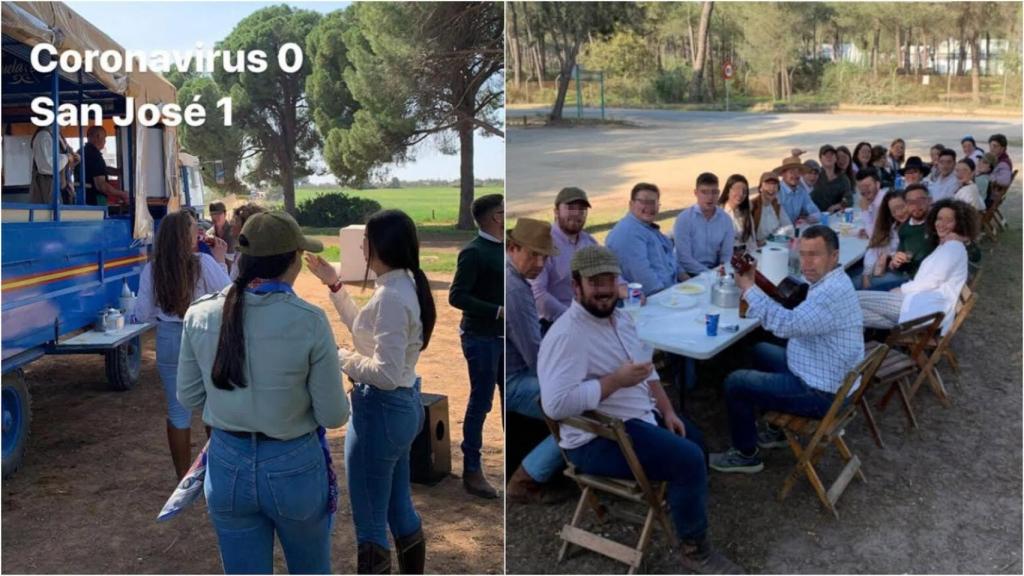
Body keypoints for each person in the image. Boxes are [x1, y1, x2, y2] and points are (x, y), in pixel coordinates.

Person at [539, 245, 738, 574]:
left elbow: (648, 369)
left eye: (609, 280)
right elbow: (555, 404)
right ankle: (693, 549)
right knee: (687, 459)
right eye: (595, 282)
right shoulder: (567, 335)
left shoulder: (619, 318)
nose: (604, 290)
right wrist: (614, 381)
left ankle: (685, 507)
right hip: (596, 439)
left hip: (636, 418)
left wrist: (668, 411)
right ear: (576, 286)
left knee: (696, 439)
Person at [178, 210, 349, 574]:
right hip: (294, 465)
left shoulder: (201, 314)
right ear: (294, 260)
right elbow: (334, 415)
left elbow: (189, 397)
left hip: (226, 464)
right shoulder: (309, 320)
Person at [307, 209, 436, 573]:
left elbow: (385, 373)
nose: (361, 246)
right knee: (399, 507)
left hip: (381, 409)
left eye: (366, 240)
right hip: (401, 409)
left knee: (370, 524)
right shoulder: (400, 284)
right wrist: (335, 286)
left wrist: (337, 356)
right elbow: (368, 335)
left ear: (379, 245)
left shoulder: (392, 296)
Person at [709, 226, 864, 473]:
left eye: (815, 254)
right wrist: (757, 280)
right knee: (760, 350)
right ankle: (775, 431)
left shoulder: (829, 294)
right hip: (825, 371)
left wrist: (748, 287)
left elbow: (785, 324)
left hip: (821, 393)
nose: (806, 263)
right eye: (802, 254)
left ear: (834, 256)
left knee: (735, 382)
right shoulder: (832, 279)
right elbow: (789, 305)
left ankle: (745, 454)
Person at [135, 210, 230, 480]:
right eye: (192, 228)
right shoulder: (204, 263)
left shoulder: (152, 268)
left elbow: (142, 313)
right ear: (183, 235)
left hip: (168, 338)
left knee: (178, 411)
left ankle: (183, 479)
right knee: (213, 405)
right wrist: (221, 262)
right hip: (202, 335)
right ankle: (216, 474)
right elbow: (228, 295)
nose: (197, 232)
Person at [504, 219, 571, 504]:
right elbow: (536, 357)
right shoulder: (515, 290)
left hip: (512, 370)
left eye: (544, 256)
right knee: (581, 412)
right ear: (512, 248)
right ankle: (526, 479)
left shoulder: (512, 277)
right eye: (533, 254)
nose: (540, 263)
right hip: (514, 380)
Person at [450, 194, 505, 499]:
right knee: (481, 402)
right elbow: (456, 296)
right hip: (480, 337)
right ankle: (472, 469)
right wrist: (497, 310)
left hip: (504, 338)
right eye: (504, 211)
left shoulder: (506, 247)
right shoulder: (473, 252)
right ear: (495, 217)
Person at [858, 199, 979, 335]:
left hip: (923, 307)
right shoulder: (947, 244)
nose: (941, 224)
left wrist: (901, 289)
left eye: (948, 220)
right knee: (855, 312)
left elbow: (931, 282)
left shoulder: (953, 247)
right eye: (939, 219)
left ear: (960, 224)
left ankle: (864, 345)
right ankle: (870, 344)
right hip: (919, 303)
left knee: (855, 299)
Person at [531, 187, 599, 326]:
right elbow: (537, 294)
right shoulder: (543, 243)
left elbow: (606, 275)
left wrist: (625, 289)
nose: (577, 214)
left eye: (581, 210)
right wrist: (572, 317)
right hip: (553, 322)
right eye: (571, 208)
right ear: (556, 211)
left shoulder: (589, 243)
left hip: (588, 316)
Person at [606, 182, 682, 295]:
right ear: (631, 204)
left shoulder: (647, 228)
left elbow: (671, 259)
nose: (649, 207)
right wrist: (670, 296)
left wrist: (688, 280)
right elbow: (644, 280)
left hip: (672, 290)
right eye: (644, 202)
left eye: (653, 202)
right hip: (650, 300)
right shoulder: (628, 232)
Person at [673, 172, 734, 276]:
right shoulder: (684, 219)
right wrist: (710, 274)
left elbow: (726, 254)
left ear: (719, 193)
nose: (710, 197)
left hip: (716, 271)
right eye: (704, 192)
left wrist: (722, 272)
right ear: (696, 193)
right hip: (688, 274)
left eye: (714, 192)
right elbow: (684, 258)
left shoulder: (726, 220)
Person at [858, 190, 909, 291]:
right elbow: (873, 249)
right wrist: (866, 274)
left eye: (901, 207)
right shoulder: (893, 227)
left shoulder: (914, 226)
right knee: (853, 276)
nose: (898, 213)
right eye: (894, 211)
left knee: (853, 286)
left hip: (904, 275)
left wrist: (890, 256)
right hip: (884, 270)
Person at [885, 184, 934, 288]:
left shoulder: (937, 224)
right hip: (911, 282)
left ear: (930, 201)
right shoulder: (904, 228)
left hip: (929, 285)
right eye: (911, 202)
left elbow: (974, 256)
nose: (916, 205)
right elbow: (903, 263)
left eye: (920, 200)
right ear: (906, 205)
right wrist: (895, 262)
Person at [30, 126, 79, 205]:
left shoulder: (59, 136)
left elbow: (68, 158)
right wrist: (66, 157)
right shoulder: (43, 135)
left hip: (63, 188)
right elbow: (47, 165)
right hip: (48, 189)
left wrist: (74, 158)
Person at [81, 126, 129, 206]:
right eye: (104, 138)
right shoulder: (94, 155)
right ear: (98, 136)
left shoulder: (83, 151)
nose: (105, 141)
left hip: (85, 199)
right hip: (94, 200)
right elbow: (101, 185)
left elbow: (99, 170)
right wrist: (122, 194)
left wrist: (120, 171)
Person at [775, 156, 822, 224]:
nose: (795, 175)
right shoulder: (776, 192)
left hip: (795, 231)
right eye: (791, 172)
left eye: (798, 172)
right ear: (783, 174)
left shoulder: (801, 191)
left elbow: (817, 213)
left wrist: (807, 220)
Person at [227, 203, 268, 280]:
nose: (231, 224)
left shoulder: (250, 256)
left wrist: (221, 261)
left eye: (236, 220)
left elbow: (232, 286)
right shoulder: (241, 251)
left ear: (247, 225)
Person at [750, 171, 792, 244]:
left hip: (774, 244)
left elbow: (788, 227)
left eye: (775, 185)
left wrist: (772, 238)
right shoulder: (752, 205)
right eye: (768, 185)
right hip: (755, 248)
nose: (772, 189)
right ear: (760, 188)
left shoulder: (777, 206)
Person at [811, 144, 853, 213]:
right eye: (825, 155)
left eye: (831, 154)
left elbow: (848, 199)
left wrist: (837, 206)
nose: (829, 157)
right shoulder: (814, 175)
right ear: (820, 159)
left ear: (836, 158)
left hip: (835, 217)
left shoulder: (843, 179)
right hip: (814, 216)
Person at [718, 174, 755, 248]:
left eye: (744, 191)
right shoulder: (718, 212)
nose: (741, 194)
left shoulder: (746, 213)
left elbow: (752, 242)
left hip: (744, 256)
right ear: (728, 190)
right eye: (736, 189)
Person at [854, 167, 887, 239]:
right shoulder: (873, 200)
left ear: (877, 185)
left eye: (867, 186)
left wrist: (865, 211)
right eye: (860, 187)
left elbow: (875, 237)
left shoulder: (884, 203)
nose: (864, 190)